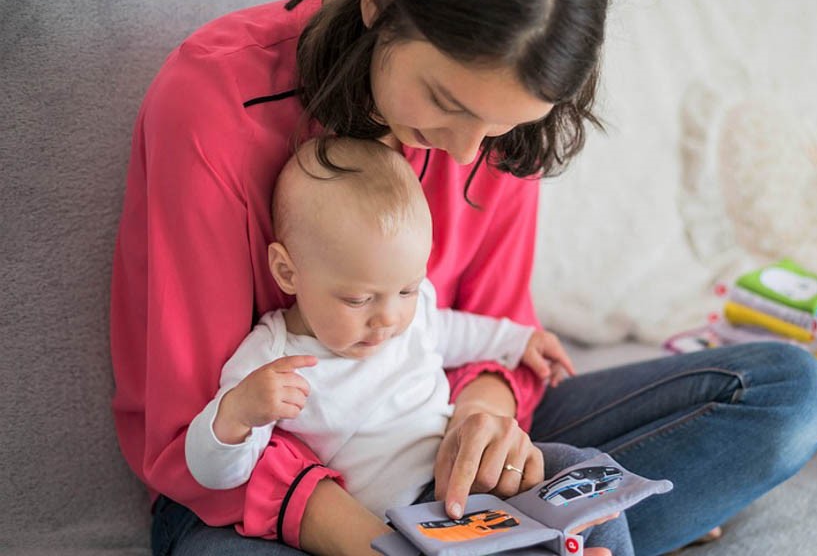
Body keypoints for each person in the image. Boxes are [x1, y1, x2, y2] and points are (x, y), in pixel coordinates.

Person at [110, 0, 817, 554]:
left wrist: (483, 419)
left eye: (501, 126)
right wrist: (377, 544)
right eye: (446, 102)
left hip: (438, 450)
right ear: (378, 1)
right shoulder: (210, 104)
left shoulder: (493, 130)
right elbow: (194, 432)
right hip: (256, 494)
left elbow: (494, 330)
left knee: (790, 396)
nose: (467, 153)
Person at [183, 137, 628, 553]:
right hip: (403, 522)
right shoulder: (273, 360)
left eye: (407, 290)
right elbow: (215, 473)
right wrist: (237, 415)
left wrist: (519, 340)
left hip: (466, 476)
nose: (388, 318)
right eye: (358, 299)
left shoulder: (407, 314)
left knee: (586, 470)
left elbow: (454, 332)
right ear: (287, 272)